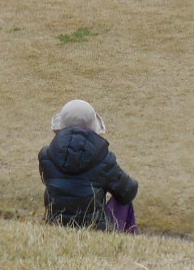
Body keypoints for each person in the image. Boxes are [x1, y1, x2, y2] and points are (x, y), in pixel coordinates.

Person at [38, 99, 137, 231]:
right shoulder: (105, 159)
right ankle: (125, 244)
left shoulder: (46, 156)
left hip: (56, 227)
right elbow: (129, 191)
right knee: (124, 199)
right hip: (94, 230)